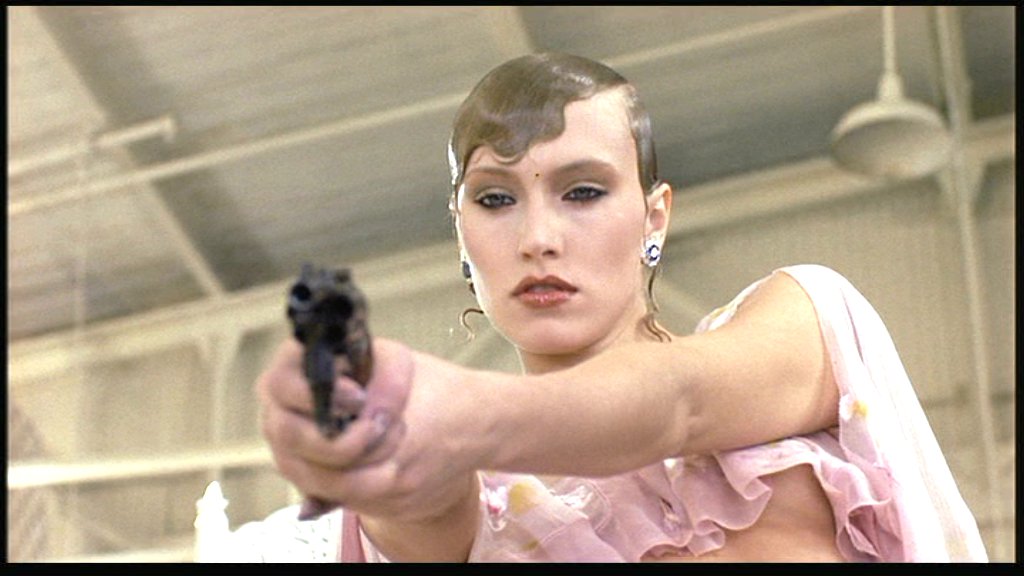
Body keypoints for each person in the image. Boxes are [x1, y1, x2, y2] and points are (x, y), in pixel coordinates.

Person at [228, 53, 988, 562]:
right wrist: (373, 441)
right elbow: (419, 508)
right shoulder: (478, 500)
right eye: (495, 200)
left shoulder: (804, 318)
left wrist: (458, 413)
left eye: (584, 191)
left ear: (654, 218)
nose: (539, 238)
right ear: (461, 235)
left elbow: (678, 403)